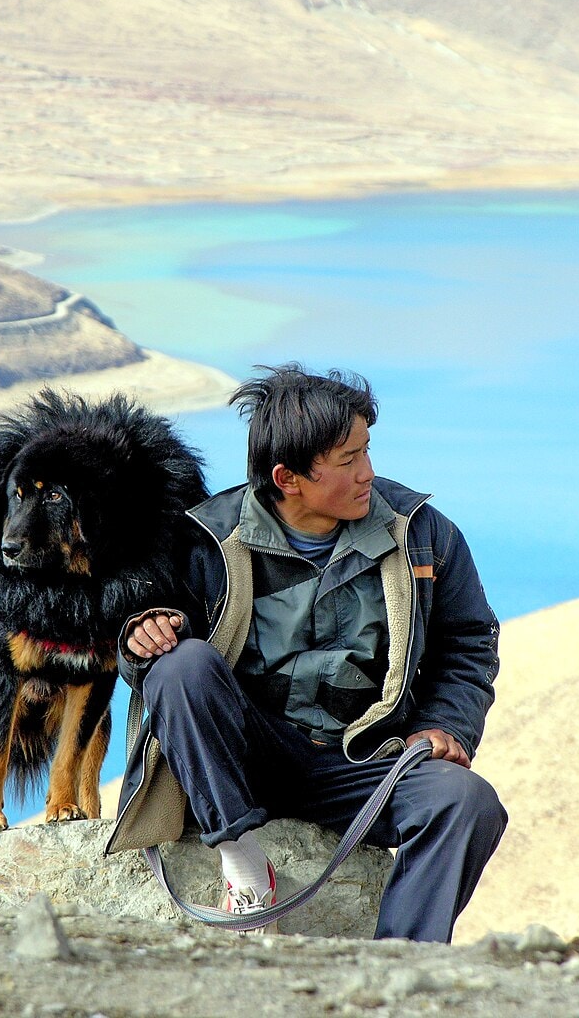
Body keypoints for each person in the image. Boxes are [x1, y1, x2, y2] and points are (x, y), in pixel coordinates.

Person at [105, 364, 507, 942]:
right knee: (182, 665)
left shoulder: (421, 533)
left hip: (365, 762)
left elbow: (468, 643)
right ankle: (245, 867)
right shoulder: (205, 537)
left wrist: (448, 724)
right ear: (288, 477)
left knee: (467, 802)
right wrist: (144, 639)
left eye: (367, 451)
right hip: (240, 761)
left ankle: (402, 966)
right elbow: (152, 663)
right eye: (348, 461)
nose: (368, 473)